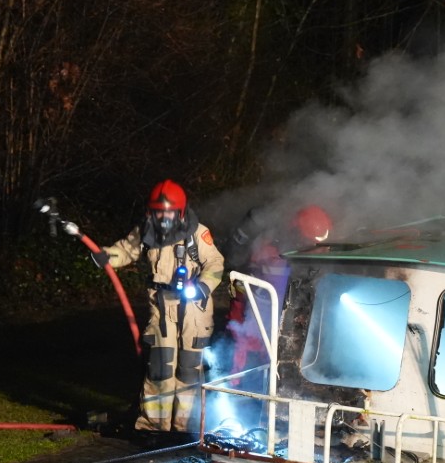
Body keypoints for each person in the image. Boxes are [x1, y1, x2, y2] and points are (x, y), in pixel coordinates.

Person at [93, 180, 227, 433]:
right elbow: (125, 250)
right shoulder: (146, 231)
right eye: (159, 212)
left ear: (181, 212)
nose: (164, 218)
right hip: (161, 307)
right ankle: (153, 427)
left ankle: (185, 428)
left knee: (189, 368)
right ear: (151, 212)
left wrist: (202, 287)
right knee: (160, 368)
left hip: (194, 310)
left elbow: (216, 264)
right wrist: (105, 255)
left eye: (169, 212)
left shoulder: (198, 233)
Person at [223, 204, 331, 384]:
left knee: (277, 371)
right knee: (243, 366)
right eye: (313, 244)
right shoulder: (269, 251)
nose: (319, 250)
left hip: (284, 320)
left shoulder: (310, 253)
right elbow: (248, 288)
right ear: (298, 236)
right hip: (258, 316)